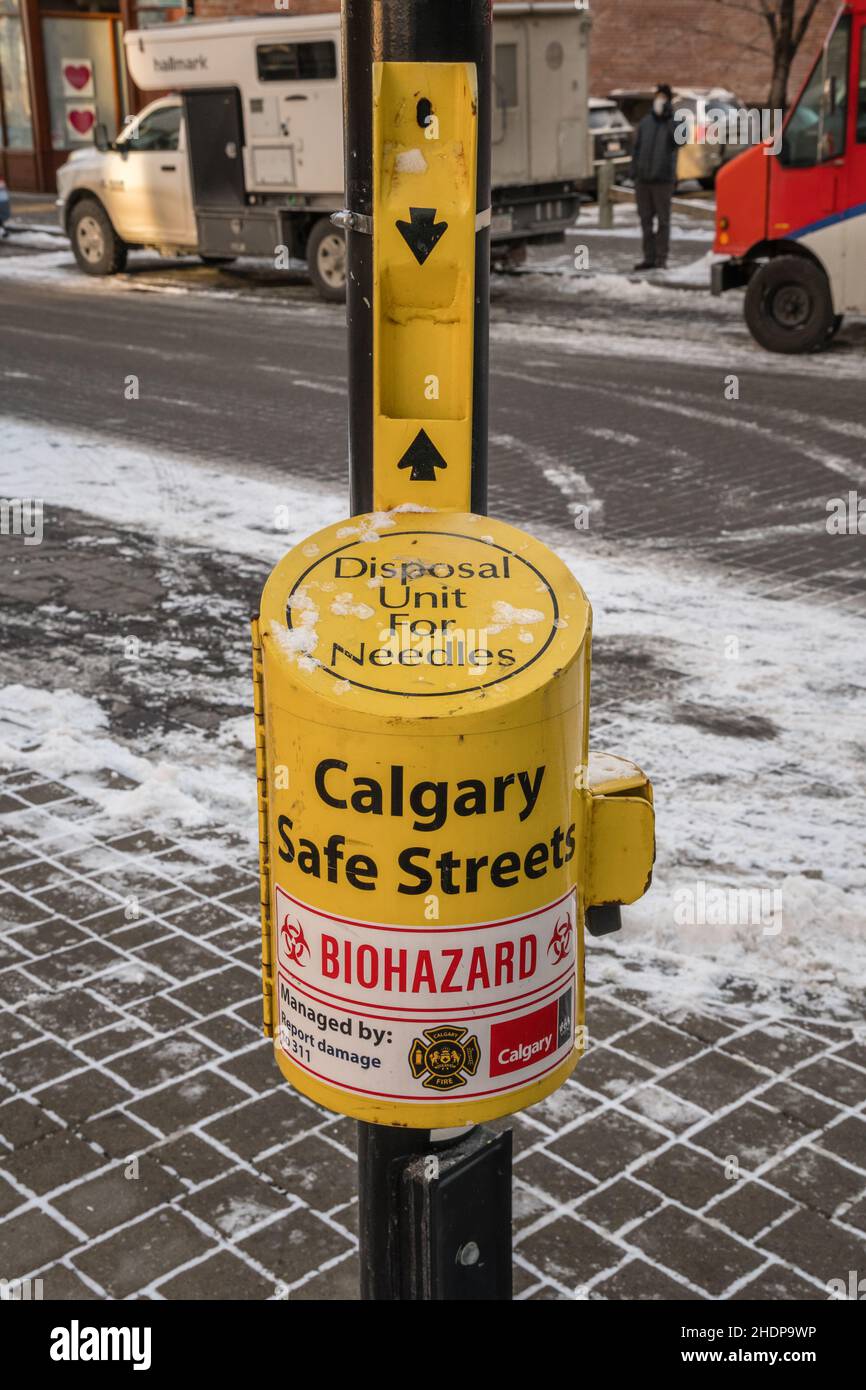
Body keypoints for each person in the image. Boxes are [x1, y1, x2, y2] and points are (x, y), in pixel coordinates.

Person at [630, 84, 678, 271]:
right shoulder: (645, 123)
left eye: (663, 98)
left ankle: (661, 258)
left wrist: (668, 118)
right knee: (645, 221)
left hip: (663, 180)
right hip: (643, 180)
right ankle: (648, 257)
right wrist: (634, 172)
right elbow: (637, 148)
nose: (659, 101)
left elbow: (678, 142)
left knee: (663, 222)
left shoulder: (675, 122)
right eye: (657, 97)